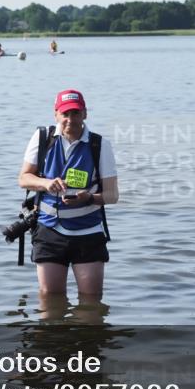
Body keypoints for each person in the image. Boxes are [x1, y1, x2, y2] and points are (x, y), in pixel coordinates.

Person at [18, 89, 118, 300]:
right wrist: (46, 183)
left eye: (75, 113)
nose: (70, 119)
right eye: (65, 114)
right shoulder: (42, 137)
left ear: (85, 114)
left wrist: (89, 198)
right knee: (50, 298)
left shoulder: (99, 145)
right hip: (48, 230)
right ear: (56, 114)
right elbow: (24, 178)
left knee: (91, 300)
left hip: (88, 232)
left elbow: (112, 195)